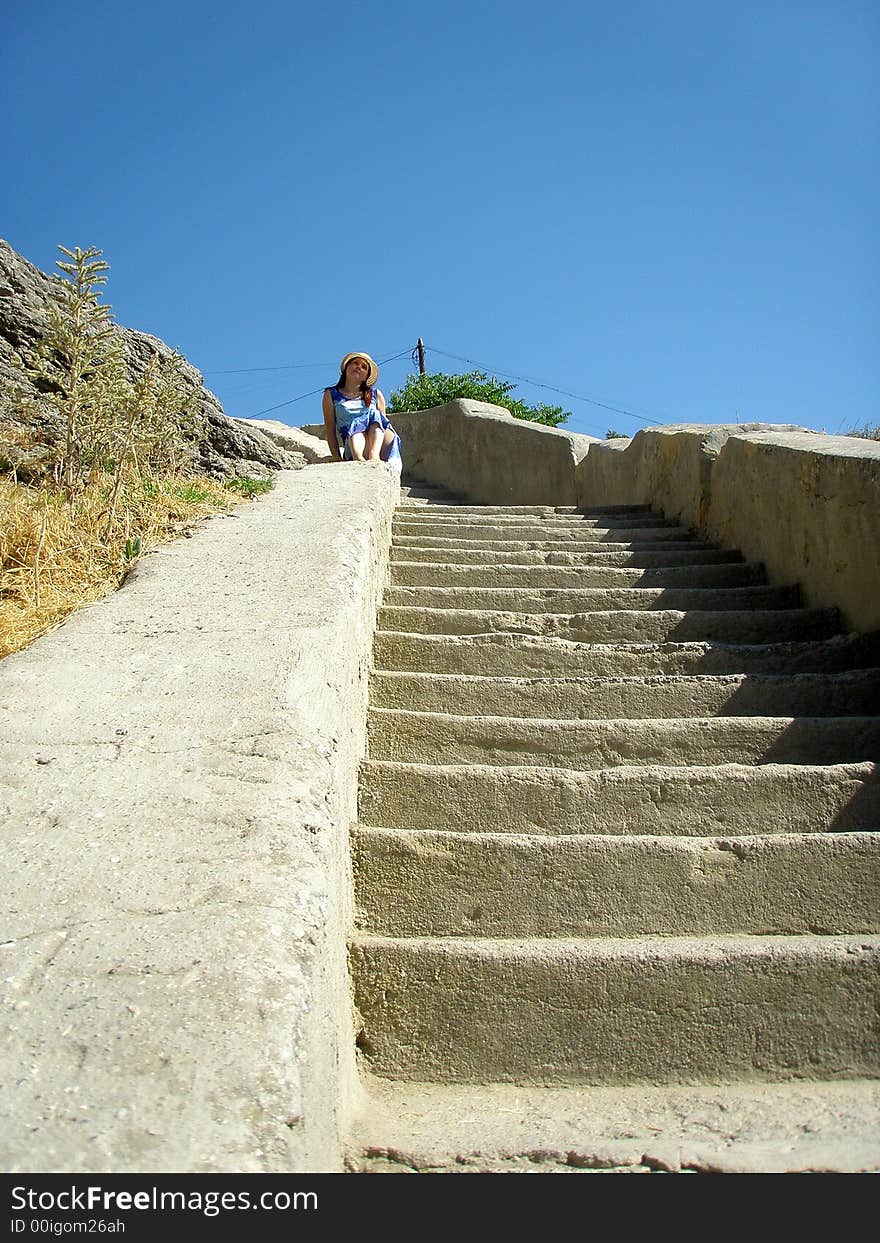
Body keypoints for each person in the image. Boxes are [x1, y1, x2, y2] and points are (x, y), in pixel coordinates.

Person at [322, 352, 402, 466]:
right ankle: (358, 459)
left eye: (364, 367)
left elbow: (382, 425)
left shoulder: (375, 395)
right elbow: (330, 429)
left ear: (367, 376)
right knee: (357, 426)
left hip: (379, 443)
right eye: (355, 363)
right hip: (354, 442)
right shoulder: (331, 394)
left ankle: (374, 456)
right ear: (346, 367)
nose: (359, 367)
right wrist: (336, 456)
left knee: (375, 415)